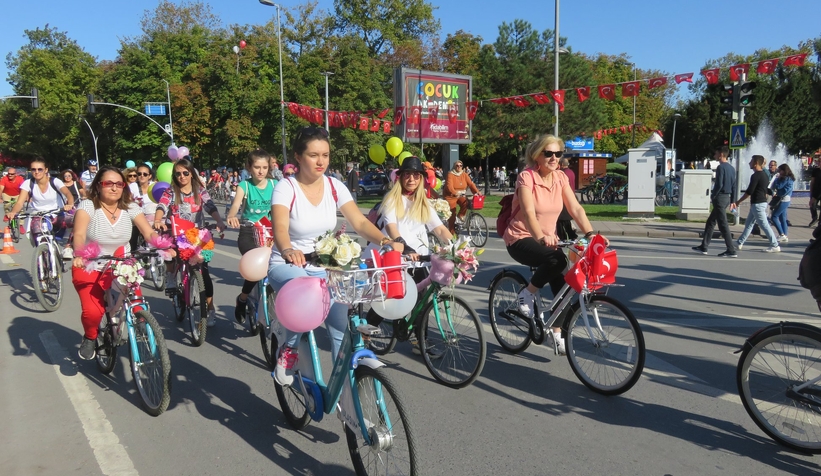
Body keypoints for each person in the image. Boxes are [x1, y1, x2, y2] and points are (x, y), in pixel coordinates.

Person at [267, 126, 403, 386]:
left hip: (325, 266)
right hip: (288, 265)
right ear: (298, 157)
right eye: (313, 155)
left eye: (326, 155)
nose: (321, 162)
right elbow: (280, 228)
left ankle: (348, 397)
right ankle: (289, 349)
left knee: (341, 329)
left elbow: (359, 222)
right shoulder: (286, 187)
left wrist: (386, 241)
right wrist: (288, 250)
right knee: (303, 293)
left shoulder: (334, 186)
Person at [503, 135, 603, 354]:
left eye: (558, 153)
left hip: (548, 241)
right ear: (537, 155)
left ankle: (556, 332)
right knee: (557, 260)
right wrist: (540, 237)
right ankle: (527, 294)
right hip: (521, 238)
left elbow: (575, 209)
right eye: (548, 153)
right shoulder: (527, 177)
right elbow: (528, 213)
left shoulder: (560, 177)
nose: (554, 158)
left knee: (565, 283)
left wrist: (590, 234)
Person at [71, 166, 160, 360]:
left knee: (137, 304)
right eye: (108, 183)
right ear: (98, 186)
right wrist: (79, 254)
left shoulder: (130, 207)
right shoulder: (88, 206)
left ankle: (140, 327)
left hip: (121, 263)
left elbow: (148, 232)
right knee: (93, 312)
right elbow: (79, 234)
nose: (114, 188)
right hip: (89, 264)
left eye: (119, 184)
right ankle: (90, 336)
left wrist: (163, 245)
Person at [366, 156, 453, 354]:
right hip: (396, 257)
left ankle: (420, 342)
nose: (411, 179)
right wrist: (404, 247)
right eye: (407, 174)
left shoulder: (424, 203)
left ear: (421, 178)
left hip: (420, 259)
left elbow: (439, 229)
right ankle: (362, 335)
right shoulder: (392, 199)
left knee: (422, 301)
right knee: (388, 301)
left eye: (416, 175)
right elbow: (391, 227)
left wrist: (457, 247)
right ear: (400, 177)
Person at [154, 158, 226, 327]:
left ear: (191, 174)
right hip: (176, 233)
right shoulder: (171, 192)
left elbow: (210, 206)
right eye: (178, 174)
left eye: (185, 173)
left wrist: (219, 221)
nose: (182, 176)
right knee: (169, 252)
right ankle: (171, 277)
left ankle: (210, 309)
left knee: (204, 273)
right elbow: (162, 206)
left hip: (197, 235)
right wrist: (158, 220)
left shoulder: (199, 190)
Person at [226, 149, 276, 324]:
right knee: (255, 266)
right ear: (249, 167)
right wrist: (232, 215)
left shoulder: (275, 185)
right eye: (257, 167)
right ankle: (242, 298)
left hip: (270, 232)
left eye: (264, 167)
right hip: (249, 232)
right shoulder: (244, 186)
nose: (261, 171)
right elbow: (236, 205)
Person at [693, 146, 737, 257]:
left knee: (723, 225)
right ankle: (704, 246)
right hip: (726, 198)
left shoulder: (720, 167)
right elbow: (734, 186)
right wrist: (732, 200)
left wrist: (713, 196)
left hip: (720, 198)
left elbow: (719, 184)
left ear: (721, 154)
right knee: (711, 222)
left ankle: (731, 249)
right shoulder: (732, 168)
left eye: (716, 153)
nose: (714, 156)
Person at [6, 157, 75, 227]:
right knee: (38, 230)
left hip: (57, 214)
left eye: (40, 169)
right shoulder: (28, 183)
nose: (36, 172)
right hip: (39, 216)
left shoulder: (55, 181)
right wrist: (13, 212)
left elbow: (68, 194)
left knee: (73, 223)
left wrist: (70, 205)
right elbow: (20, 202)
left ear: (46, 170)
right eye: (33, 169)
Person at [731, 155, 780, 253]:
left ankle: (775, 245)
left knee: (764, 225)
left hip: (758, 204)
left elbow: (749, 191)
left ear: (756, 163)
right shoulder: (764, 175)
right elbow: (766, 189)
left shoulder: (756, 176)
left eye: (751, 161)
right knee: (749, 224)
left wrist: (738, 202)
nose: (749, 163)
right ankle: (739, 242)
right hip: (759, 203)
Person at [443, 160, 481, 233]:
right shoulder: (450, 174)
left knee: (466, 203)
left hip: (461, 195)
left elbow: (471, 184)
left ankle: (460, 215)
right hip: (450, 196)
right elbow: (449, 186)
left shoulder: (464, 174)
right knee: (452, 214)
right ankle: (451, 232)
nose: (459, 167)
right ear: (454, 166)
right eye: (457, 165)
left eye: (460, 165)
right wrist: (455, 193)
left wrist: (477, 192)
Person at [770, 163, 795, 243]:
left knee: (774, 217)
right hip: (786, 199)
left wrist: (777, 179)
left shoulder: (786, 178)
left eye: (780, 170)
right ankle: (785, 235)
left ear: (784, 171)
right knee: (782, 218)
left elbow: (778, 186)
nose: (779, 172)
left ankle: (781, 234)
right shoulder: (789, 178)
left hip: (783, 200)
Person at [556, 158, 577, 240]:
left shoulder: (562, 173)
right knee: (565, 219)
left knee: (560, 220)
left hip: (563, 198)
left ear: (561, 164)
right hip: (571, 196)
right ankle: (571, 235)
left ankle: (563, 236)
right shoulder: (571, 172)